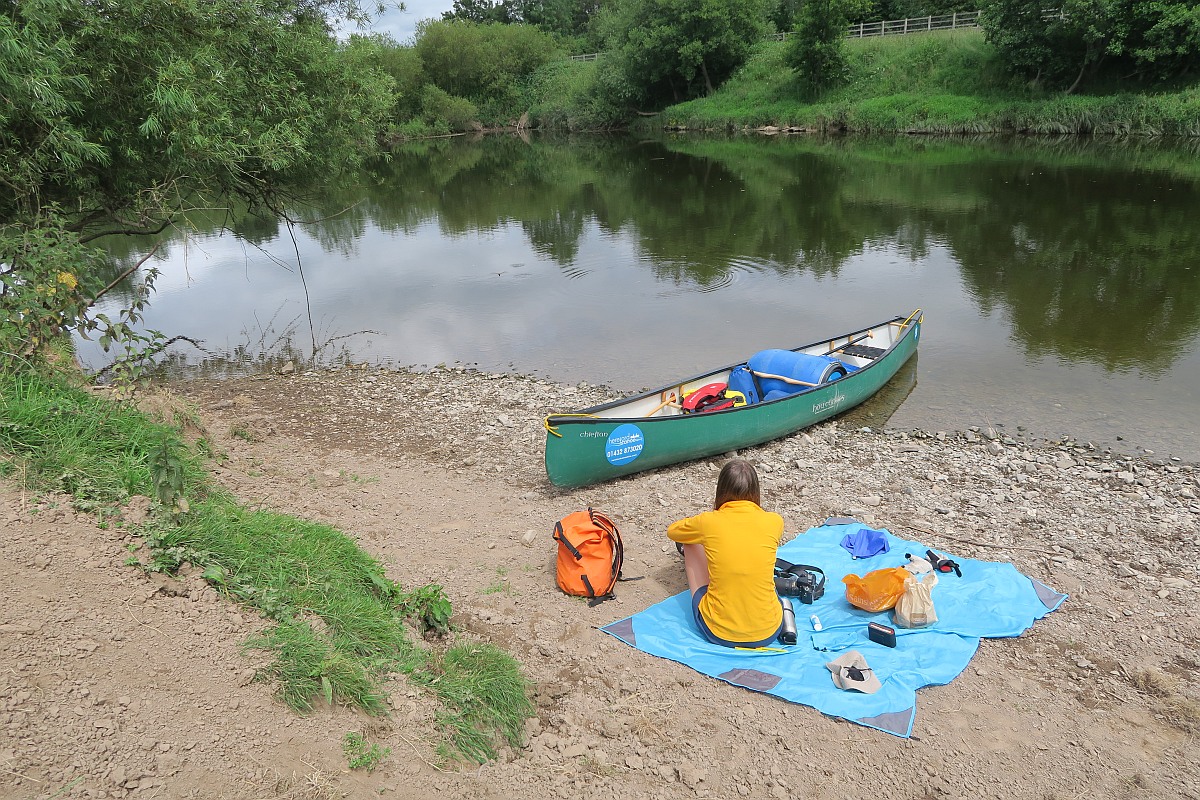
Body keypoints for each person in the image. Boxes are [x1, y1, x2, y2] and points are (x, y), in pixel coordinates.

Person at [667, 459, 785, 648]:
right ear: (755, 491)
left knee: (689, 542)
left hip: (719, 631)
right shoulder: (774, 521)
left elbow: (673, 531)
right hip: (769, 631)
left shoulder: (708, 522)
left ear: (721, 490)